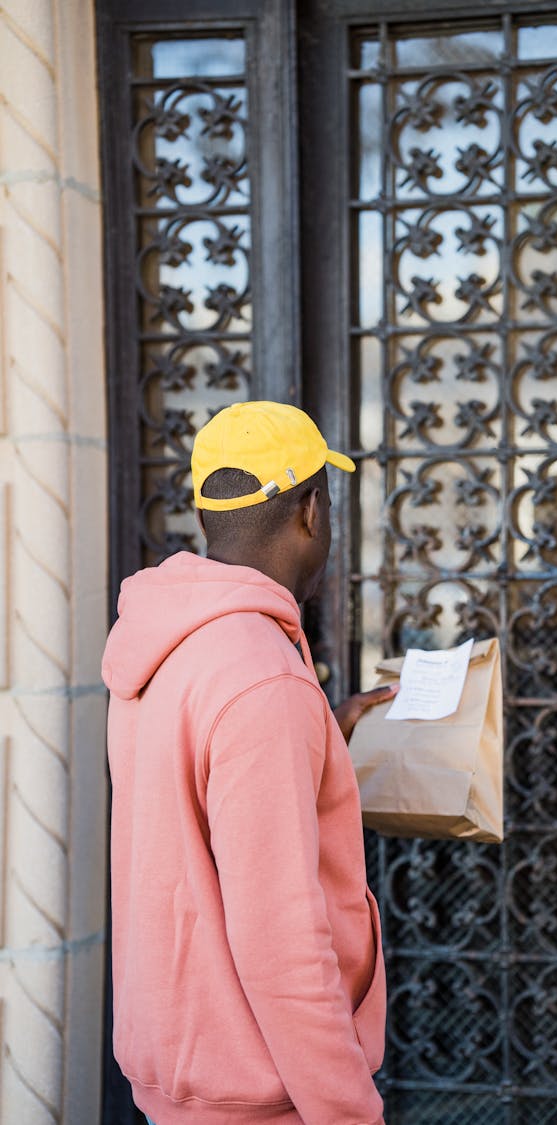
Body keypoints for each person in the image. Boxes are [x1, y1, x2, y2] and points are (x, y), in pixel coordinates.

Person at [102, 401, 397, 1125]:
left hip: (181, 1073)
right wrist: (351, 1113)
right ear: (311, 509)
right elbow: (282, 943)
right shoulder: (261, 679)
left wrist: (316, 737)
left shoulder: (169, 644)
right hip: (260, 1099)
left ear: (208, 518)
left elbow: (188, 815)